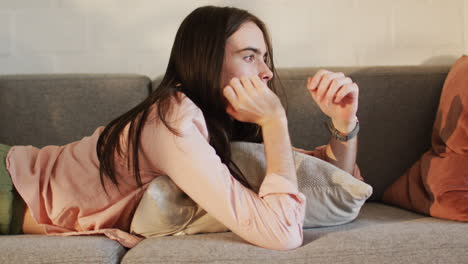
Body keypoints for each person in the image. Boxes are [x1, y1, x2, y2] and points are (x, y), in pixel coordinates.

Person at [0, 5, 362, 250]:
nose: (267, 72)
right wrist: (275, 120)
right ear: (207, 61)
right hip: (8, 189)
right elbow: (282, 233)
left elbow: (333, 189)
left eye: (265, 58)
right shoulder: (172, 118)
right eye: (250, 57)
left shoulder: (214, 120)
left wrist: (343, 125)